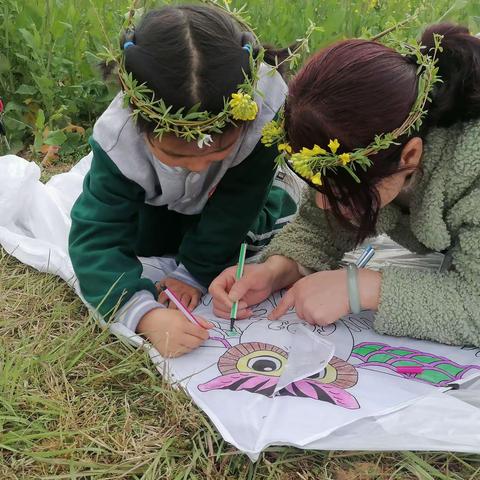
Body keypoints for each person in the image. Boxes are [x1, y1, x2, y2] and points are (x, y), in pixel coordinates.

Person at [210, 23, 480, 347]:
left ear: (410, 154)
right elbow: (318, 226)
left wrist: (362, 288)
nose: (324, 204)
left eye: (343, 191)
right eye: (321, 186)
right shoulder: (379, 138)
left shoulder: (469, 166)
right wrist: (276, 270)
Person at [68, 4, 299, 357]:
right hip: (159, 205)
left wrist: (193, 273)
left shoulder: (264, 110)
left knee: (250, 235)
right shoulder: (119, 138)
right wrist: (144, 314)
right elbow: (97, 237)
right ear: (138, 121)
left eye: (217, 152)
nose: (197, 167)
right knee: (146, 241)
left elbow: (239, 201)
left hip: (232, 200)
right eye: (177, 156)